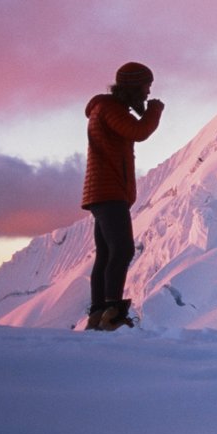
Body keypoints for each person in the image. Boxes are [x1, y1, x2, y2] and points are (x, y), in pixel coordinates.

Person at [81, 62, 164, 331]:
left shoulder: (106, 110)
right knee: (122, 249)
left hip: (104, 191)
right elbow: (138, 132)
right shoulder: (110, 109)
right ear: (133, 86)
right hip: (109, 191)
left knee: (106, 254)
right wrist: (154, 111)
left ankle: (98, 313)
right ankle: (112, 313)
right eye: (146, 86)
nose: (148, 93)